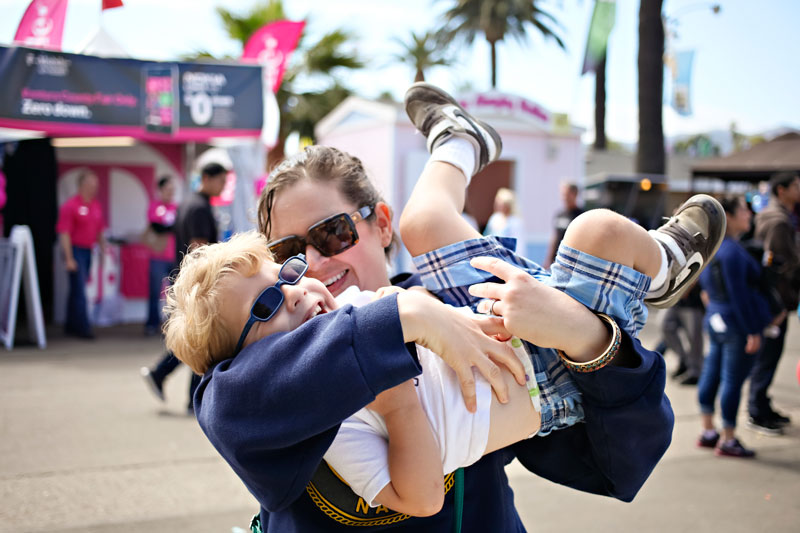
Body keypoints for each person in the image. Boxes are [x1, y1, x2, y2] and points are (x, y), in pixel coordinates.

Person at [184, 83, 723, 532]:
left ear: (379, 224)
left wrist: (584, 337)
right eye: (288, 253)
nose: (314, 265)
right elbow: (224, 402)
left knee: (445, 223)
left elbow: (622, 462)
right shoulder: (256, 371)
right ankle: (459, 141)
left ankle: (459, 143)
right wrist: (406, 319)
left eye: (333, 232)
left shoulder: (446, 302)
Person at [696, 195, 782, 458]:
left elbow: (707, 287)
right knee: (731, 381)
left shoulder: (714, 247)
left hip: (716, 319)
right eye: (744, 210)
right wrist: (753, 330)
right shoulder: (731, 251)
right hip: (735, 324)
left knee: (712, 373)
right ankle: (728, 438)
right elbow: (739, 295)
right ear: (728, 216)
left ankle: (710, 430)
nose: (750, 214)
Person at [140, 162, 227, 414]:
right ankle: (189, 396)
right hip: (197, 282)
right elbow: (198, 248)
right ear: (208, 179)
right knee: (199, 340)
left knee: (196, 339)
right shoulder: (199, 208)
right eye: (221, 181)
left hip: (188, 280)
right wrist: (210, 281)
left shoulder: (189, 204)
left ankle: (173, 384)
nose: (222, 186)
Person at [747, 171, 800, 434]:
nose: (799, 190)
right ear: (782, 190)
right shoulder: (779, 221)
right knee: (768, 356)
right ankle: (757, 410)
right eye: (796, 186)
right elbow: (785, 265)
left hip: (771, 298)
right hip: (775, 301)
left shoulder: (770, 215)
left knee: (767, 356)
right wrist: (781, 303)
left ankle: (761, 405)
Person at [56, 170, 106, 339]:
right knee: (80, 291)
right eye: (91, 185)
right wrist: (69, 258)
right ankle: (83, 328)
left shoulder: (96, 206)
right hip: (75, 250)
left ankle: (71, 325)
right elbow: (64, 233)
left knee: (76, 289)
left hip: (88, 251)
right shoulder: (70, 206)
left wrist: (103, 249)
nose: (94, 188)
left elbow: (99, 230)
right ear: (82, 185)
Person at [143, 176, 178, 336]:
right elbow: (157, 227)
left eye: (172, 190)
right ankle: (151, 323)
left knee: (175, 292)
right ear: (161, 189)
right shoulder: (155, 207)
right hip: (157, 256)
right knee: (154, 291)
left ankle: (173, 324)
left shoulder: (176, 208)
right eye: (168, 189)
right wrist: (171, 228)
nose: (170, 193)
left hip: (173, 256)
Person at [659, 283, 705, 385]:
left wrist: (685, 288)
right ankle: (684, 360)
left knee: (694, 338)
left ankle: (695, 371)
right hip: (675, 299)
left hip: (693, 302)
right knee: (666, 327)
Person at [544, 181, 583, 268]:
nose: (564, 197)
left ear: (575, 194)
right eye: (563, 194)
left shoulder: (581, 216)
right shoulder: (559, 214)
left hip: (571, 262)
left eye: (566, 194)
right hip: (556, 260)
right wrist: (548, 259)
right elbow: (555, 237)